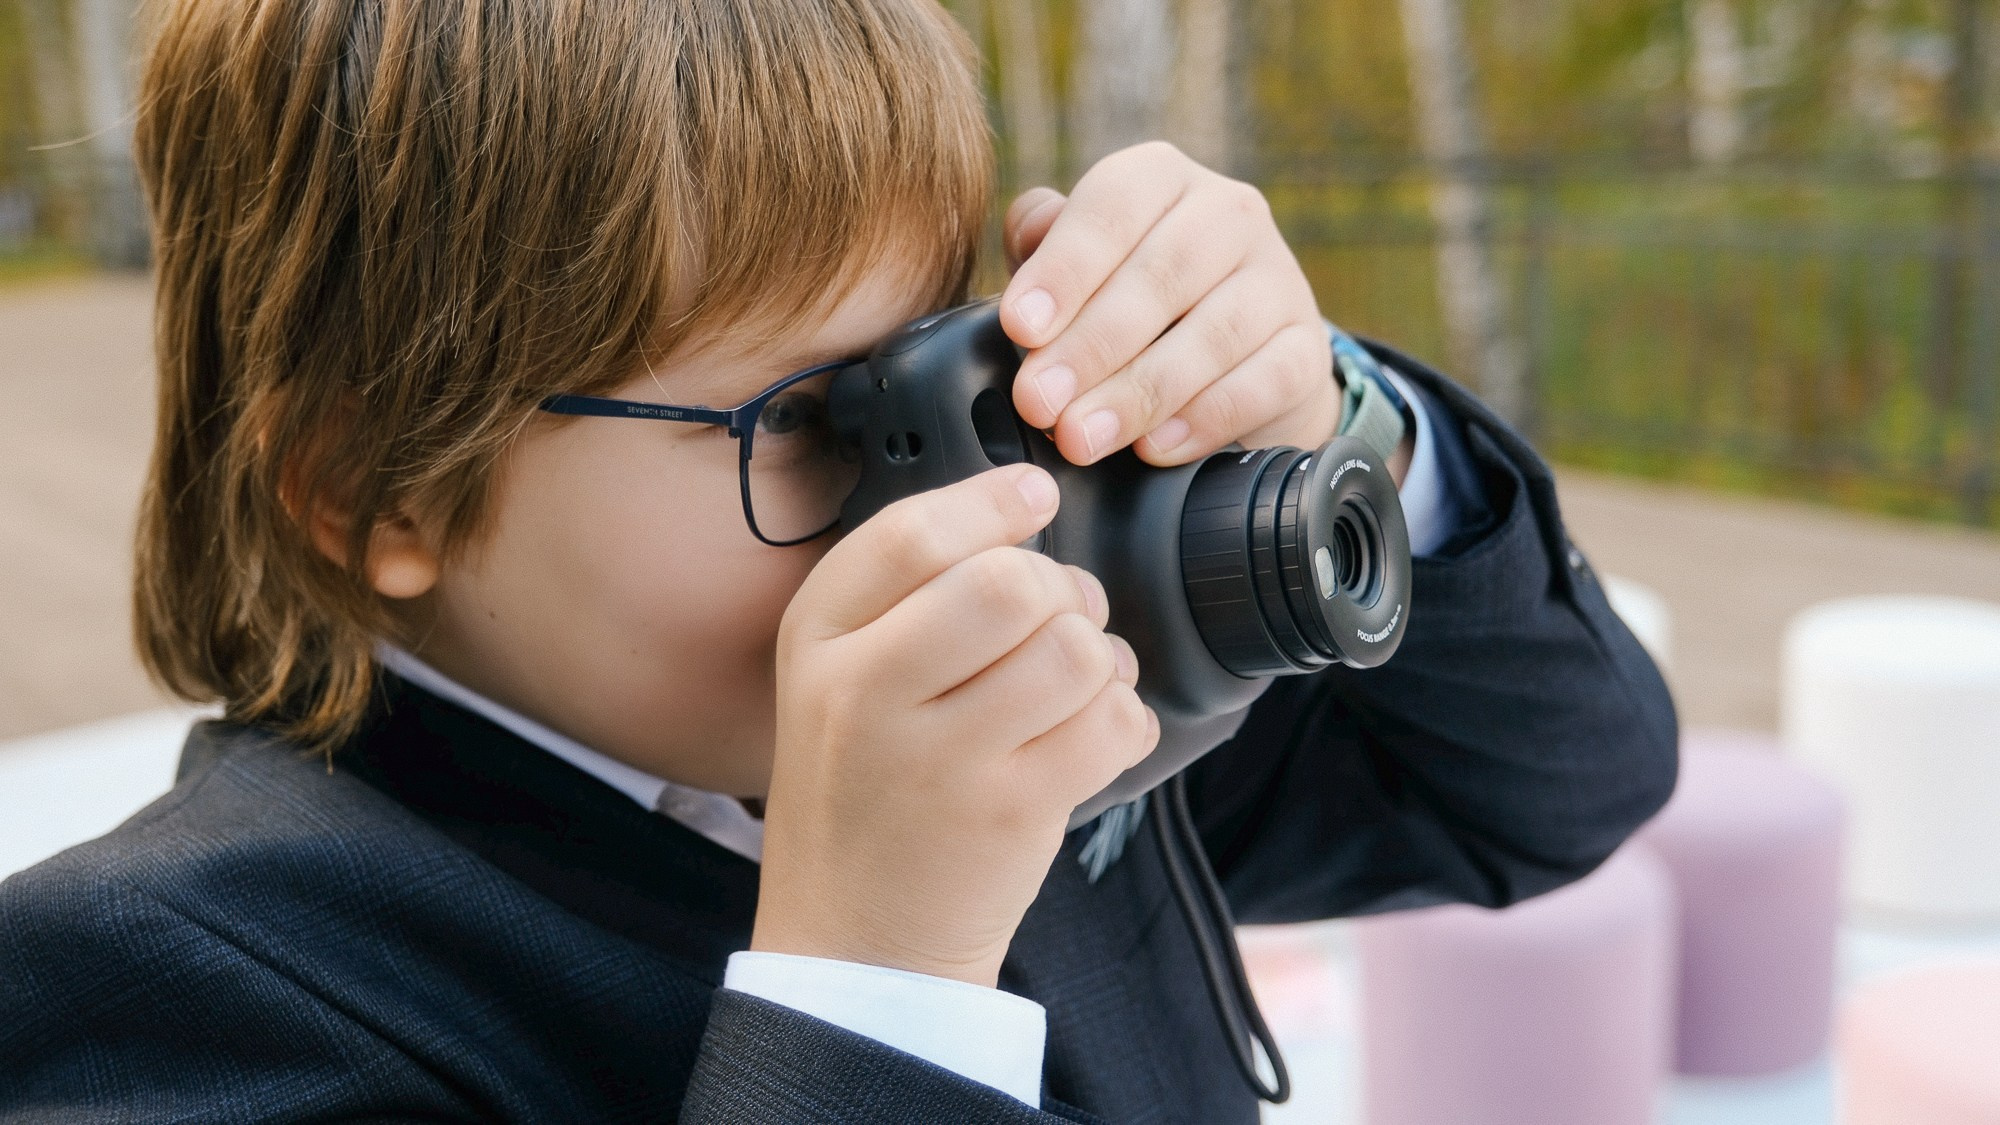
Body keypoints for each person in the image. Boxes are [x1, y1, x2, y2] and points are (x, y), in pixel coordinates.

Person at [0, 0, 1677, 1120]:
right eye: (814, 417)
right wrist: (870, 978)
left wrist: (1344, 410)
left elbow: (1550, 788)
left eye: (953, 372)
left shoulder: (1025, 681)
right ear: (380, 488)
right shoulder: (163, 997)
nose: (949, 500)